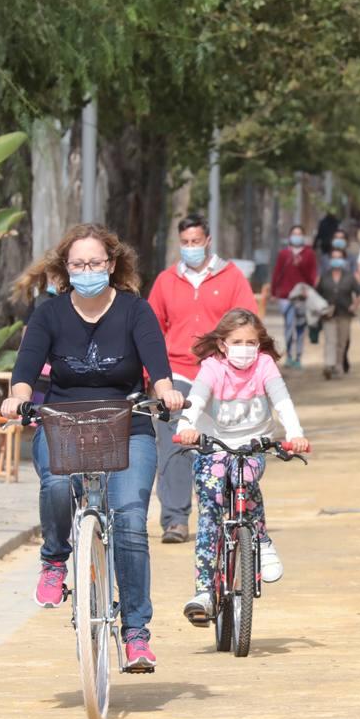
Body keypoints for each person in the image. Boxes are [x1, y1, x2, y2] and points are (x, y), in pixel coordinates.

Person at [2, 223, 185, 672]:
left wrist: (166, 391)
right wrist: (18, 397)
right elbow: (25, 369)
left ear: (112, 264)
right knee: (57, 486)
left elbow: (157, 367)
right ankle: (54, 561)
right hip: (64, 423)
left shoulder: (134, 311)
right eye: (78, 264)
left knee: (130, 521)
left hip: (129, 425)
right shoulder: (48, 314)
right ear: (65, 268)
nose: (87, 270)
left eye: (96, 263)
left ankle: (137, 633)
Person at [174, 309, 311, 623]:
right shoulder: (212, 368)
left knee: (247, 478)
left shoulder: (264, 366)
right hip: (213, 446)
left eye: (252, 342)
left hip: (252, 445)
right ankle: (205, 590)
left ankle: (261, 539)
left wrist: (295, 434)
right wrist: (186, 427)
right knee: (209, 508)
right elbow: (195, 400)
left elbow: (282, 402)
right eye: (237, 341)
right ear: (222, 344)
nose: (245, 348)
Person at [147, 214, 257, 544]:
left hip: (221, 374)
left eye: (196, 242)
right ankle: (175, 520)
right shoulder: (166, 281)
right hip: (177, 373)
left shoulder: (232, 277)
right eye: (185, 243)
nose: (191, 248)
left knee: (219, 446)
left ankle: (223, 510)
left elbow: (247, 324)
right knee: (175, 444)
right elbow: (152, 332)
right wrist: (153, 378)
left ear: (208, 241)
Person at [271, 225, 318, 368]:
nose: (296, 236)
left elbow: (312, 276)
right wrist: (274, 292)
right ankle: (289, 356)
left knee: (300, 327)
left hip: (301, 296)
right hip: (285, 296)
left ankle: (298, 357)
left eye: (299, 234)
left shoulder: (309, 254)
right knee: (288, 325)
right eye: (294, 233)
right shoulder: (283, 254)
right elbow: (277, 273)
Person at [317, 244, 359, 379]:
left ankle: (338, 365)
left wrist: (355, 305)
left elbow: (359, 292)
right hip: (328, 314)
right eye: (334, 258)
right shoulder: (324, 277)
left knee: (342, 341)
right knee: (330, 340)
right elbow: (317, 294)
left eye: (339, 258)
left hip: (345, 313)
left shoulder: (349, 277)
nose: (336, 260)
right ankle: (328, 365)